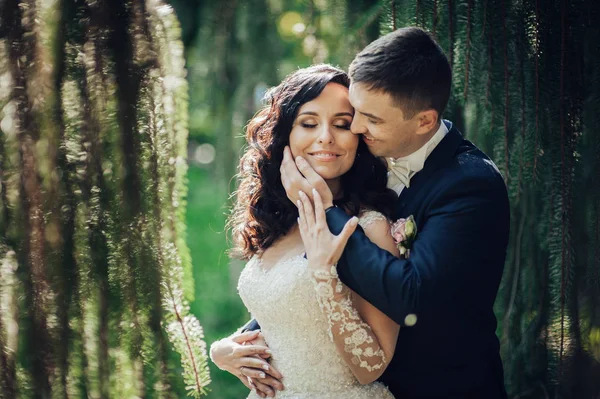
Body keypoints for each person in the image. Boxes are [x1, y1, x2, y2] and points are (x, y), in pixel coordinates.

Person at [214, 27, 510, 399]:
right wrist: (230, 347)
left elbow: (412, 296)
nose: (352, 129)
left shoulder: (469, 184)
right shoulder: (372, 171)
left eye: (365, 118)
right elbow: (301, 300)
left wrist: (324, 210)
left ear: (423, 121)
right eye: (352, 114)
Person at [211, 64, 402, 398]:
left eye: (342, 124)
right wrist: (224, 351)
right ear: (285, 135)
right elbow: (285, 318)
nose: (325, 136)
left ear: (359, 137)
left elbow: (372, 366)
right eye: (309, 123)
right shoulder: (278, 223)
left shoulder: (371, 227)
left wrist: (325, 276)